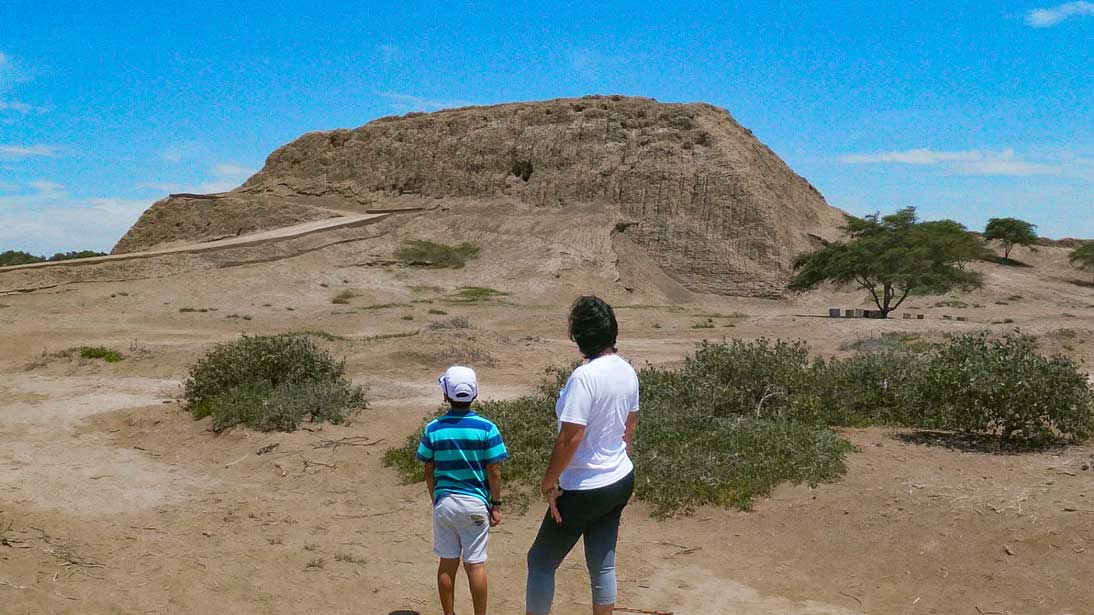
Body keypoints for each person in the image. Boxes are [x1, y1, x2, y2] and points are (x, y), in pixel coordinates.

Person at [526, 296, 639, 615]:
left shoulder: (584, 378)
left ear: (579, 336)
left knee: (541, 562)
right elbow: (628, 430)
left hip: (582, 488)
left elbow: (569, 438)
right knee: (602, 564)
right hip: (619, 479)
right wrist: (614, 464)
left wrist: (548, 484)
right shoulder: (627, 370)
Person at [418, 365, 508, 615]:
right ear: (475, 393)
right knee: (475, 565)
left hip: (445, 502)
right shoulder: (487, 428)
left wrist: (436, 498)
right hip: (475, 504)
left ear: (445, 395)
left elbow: (428, 470)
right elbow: (494, 470)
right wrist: (496, 504)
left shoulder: (433, 429)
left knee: (447, 564)